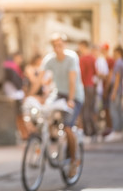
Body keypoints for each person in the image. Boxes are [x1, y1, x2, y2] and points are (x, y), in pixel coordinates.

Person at [42, 33, 85, 178]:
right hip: (59, 93)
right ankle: (53, 143)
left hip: (74, 95)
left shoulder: (72, 57)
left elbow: (72, 81)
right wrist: (31, 94)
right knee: (45, 114)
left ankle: (74, 160)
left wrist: (71, 100)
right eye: (54, 45)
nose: (57, 48)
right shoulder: (50, 59)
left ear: (64, 45)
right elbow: (42, 78)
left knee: (67, 127)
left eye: (59, 45)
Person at [3, 52, 28, 140]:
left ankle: (23, 134)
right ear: (15, 57)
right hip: (14, 95)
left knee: (19, 115)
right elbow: (17, 83)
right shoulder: (10, 67)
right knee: (18, 116)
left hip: (15, 94)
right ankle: (24, 134)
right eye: (20, 58)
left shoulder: (13, 67)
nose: (21, 60)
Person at [78, 40, 97, 140]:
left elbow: (81, 73)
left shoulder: (82, 58)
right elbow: (95, 72)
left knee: (85, 109)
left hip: (85, 85)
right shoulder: (92, 58)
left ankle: (88, 132)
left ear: (83, 46)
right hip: (92, 86)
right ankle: (94, 130)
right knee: (90, 109)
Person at [105, 46, 123, 142]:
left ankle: (117, 131)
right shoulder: (121, 62)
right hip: (119, 90)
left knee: (114, 111)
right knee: (118, 111)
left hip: (116, 90)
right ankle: (119, 130)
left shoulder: (118, 63)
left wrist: (114, 92)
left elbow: (117, 78)